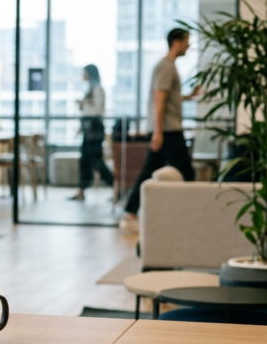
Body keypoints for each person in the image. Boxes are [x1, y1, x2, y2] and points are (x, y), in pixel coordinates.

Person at [120, 28, 202, 231]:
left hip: (165, 128)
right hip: (167, 130)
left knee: (151, 170)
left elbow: (169, 98)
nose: (189, 46)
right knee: (185, 171)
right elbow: (160, 98)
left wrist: (189, 96)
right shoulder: (166, 67)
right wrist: (158, 132)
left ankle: (131, 211)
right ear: (177, 42)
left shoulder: (168, 66)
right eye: (187, 42)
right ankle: (194, 212)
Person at [70, 65, 113, 201]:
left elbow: (98, 110)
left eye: (85, 73)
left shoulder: (98, 89)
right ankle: (82, 190)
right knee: (85, 161)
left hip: (95, 130)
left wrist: (85, 104)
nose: (83, 75)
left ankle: (117, 187)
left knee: (96, 161)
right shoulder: (90, 89)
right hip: (88, 129)